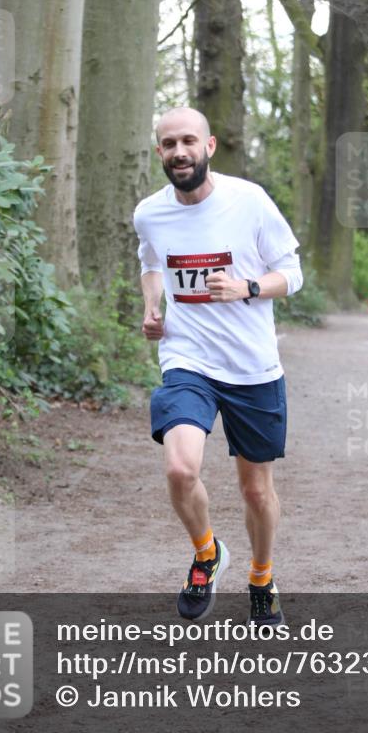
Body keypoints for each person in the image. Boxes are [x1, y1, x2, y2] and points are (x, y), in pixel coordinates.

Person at [133, 107, 303, 626]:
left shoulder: (247, 201)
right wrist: (152, 306)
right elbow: (151, 264)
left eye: (188, 141)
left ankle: (261, 575)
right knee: (181, 468)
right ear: (158, 152)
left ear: (209, 146)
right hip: (188, 359)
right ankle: (207, 554)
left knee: (255, 489)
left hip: (252, 366)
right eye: (168, 144)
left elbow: (292, 274)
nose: (178, 151)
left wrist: (247, 287)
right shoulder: (150, 213)